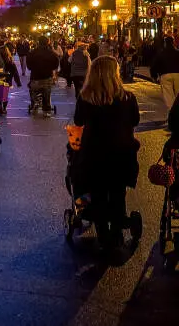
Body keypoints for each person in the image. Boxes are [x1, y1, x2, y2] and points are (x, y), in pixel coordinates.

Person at [73, 56, 141, 249]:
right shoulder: (128, 98)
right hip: (122, 154)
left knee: (99, 193)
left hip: (94, 154)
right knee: (118, 192)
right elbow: (134, 121)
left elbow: (78, 121)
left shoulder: (85, 98)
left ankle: (102, 232)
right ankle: (117, 229)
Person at [27, 35, 60, 115]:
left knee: (33, 90)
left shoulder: (32, 52)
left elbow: (29, 66)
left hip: (35, 77)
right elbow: (56, 64)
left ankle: (34, 102)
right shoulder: (51, 53)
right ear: (47, 42)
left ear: (38, 42)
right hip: (47, 76)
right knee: (47, 92)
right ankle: (46, 109)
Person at [150, 36, 179, 111]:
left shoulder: (161, 53)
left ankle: (172, 112)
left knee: (168, 96)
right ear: (173, 43)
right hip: (177, 74)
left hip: (165, 74)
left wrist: (154, 76)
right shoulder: (177, 52)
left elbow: (154, 65)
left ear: (165, 43)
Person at [0, 46, 22, 115]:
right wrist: (18, 82)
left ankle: (0, 105)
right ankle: (4, 108)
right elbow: (15, 73)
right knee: (5, 95)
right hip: (8, 80)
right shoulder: (10, 62)